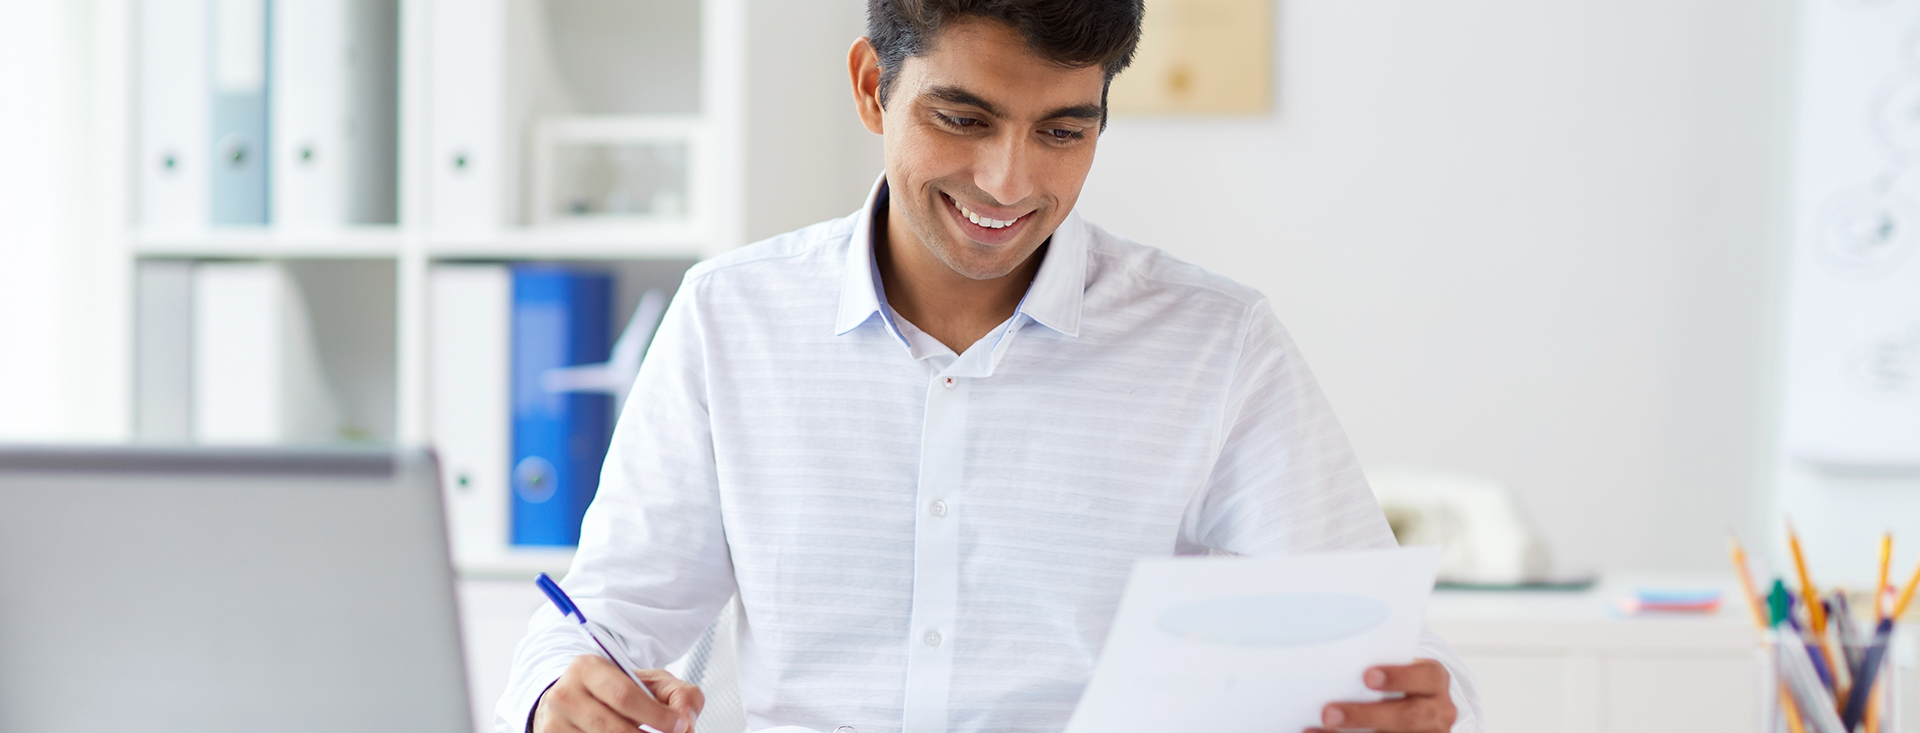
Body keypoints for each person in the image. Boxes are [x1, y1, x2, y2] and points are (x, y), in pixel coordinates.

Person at [500, 1, 1482, 732]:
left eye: (1063, 130)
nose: (1010, 182)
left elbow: (1397, 657)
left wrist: (1421, 710)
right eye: (963, 119)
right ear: (871, 87)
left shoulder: (1215, 343)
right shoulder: (731, 317)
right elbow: (597, 627)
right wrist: (563, 698)